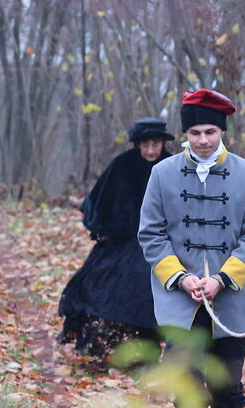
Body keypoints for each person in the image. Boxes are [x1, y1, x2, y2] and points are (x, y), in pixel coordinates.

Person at [139, 89, 245, 408]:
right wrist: (180, 278)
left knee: (227, 390)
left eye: (210, 131)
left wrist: (224, 280)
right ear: (185, 134)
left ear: (222, 131)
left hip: (229, 303)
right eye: (194, 132)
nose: (203, 140)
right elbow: (151, 234)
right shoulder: (161, 174)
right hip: (180, 303)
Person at [58, 118, 174, 362]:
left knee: (148, 287)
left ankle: (150, 352)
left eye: (156, 144)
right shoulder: (122, 165)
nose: (151, 150)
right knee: (99, 285)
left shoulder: (172, 166)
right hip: (122, 240)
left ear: (163, 143)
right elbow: (97, 203)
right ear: (137, 145)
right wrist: (106, 228)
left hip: (163, 242)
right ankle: (99, 347)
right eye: (146, 145)